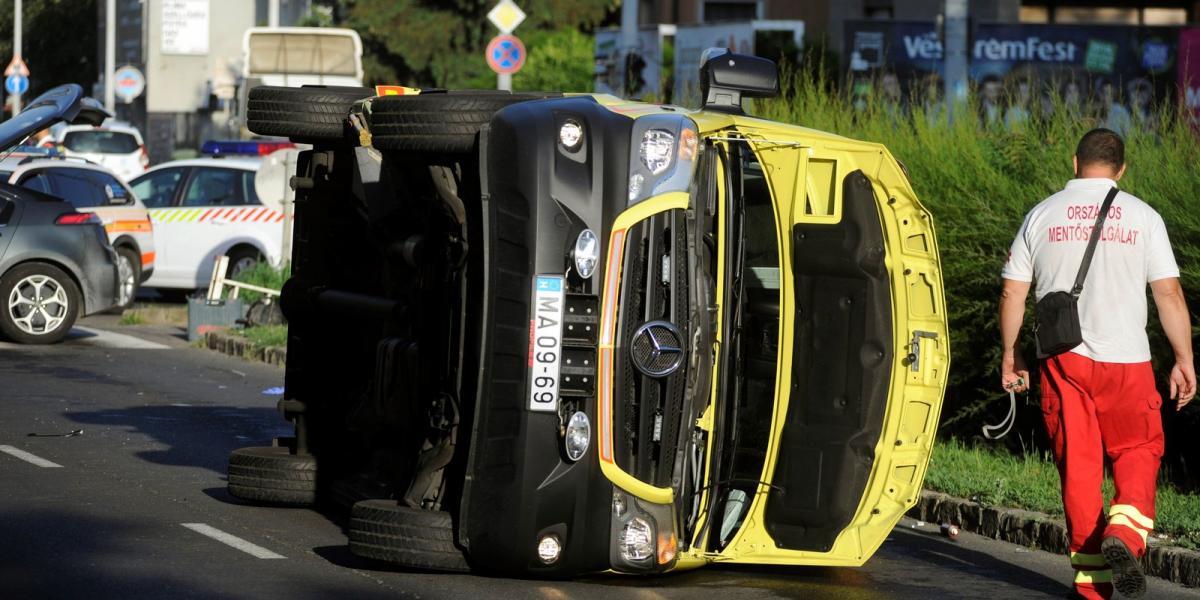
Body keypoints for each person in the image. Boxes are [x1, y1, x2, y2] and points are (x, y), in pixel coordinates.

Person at [998, 128, 1195, 600]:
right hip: (1127, 361)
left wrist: (1010, 354)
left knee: (1080, 469)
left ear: (1075, 162)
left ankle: (1092, 586)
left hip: (1063, 361)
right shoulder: (1144, 218)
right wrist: (1184, 359)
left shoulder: (1041, 215)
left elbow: (1012, 293)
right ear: (1121, 169)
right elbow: (1167, 293)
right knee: (1139, 450)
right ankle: (1124, 535)